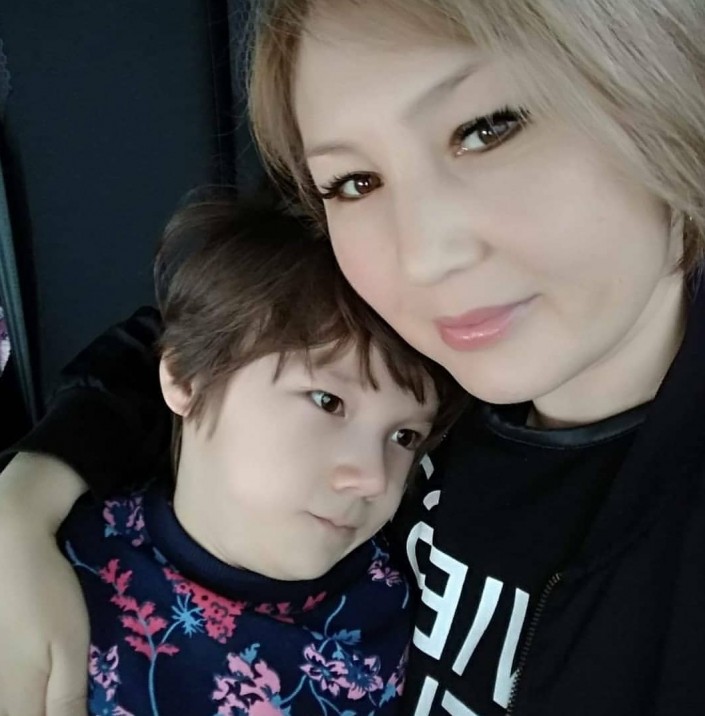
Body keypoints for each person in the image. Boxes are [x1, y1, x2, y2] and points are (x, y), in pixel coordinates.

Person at [1, 0, 705, 714]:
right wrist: (25, 501)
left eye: (488, 128)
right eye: (354, 183)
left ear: (660, 85)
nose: (423, 257)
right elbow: (212, 330)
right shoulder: (433, 356)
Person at [56, 194, 463, 716]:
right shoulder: (55, 582)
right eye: (328, 401)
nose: (373, 478)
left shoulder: (401, 599)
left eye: (404, 436)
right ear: (186, 379)